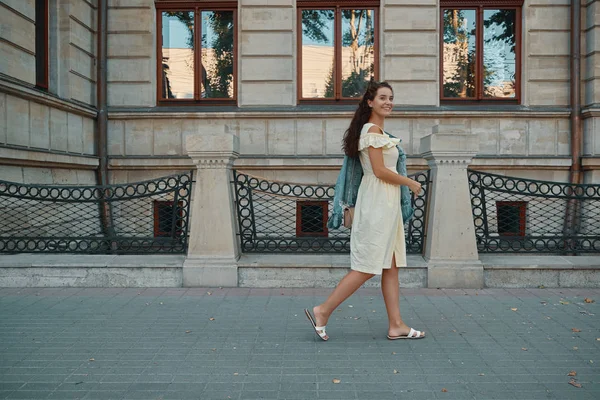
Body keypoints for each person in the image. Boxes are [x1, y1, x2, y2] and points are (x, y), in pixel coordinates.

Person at [304, 80, 425, 341]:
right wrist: (410, 182)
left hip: (387, 205)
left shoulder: (378, 132)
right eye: (382, 97)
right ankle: (323, 310)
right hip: (377, 205)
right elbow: (380, 171)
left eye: (391, 97)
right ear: (370, 102)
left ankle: (396, 325)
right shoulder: (371, 131)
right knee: (368, 266)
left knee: (391, 267)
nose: (388, 102)